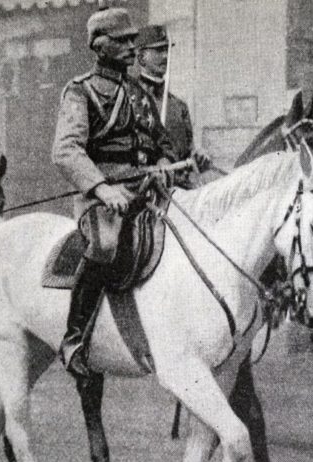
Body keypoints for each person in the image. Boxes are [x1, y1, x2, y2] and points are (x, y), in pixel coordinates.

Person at [52, 7, 177, 378]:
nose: (130, 46)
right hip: (100, 200)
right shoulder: (81, 91)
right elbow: (66, 150)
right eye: (121, 40)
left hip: (145, 192)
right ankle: (74, 337)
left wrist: (168, 163)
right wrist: (103, 188)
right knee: (105, 245)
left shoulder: (139, 92)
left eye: (131, 39)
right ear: (99, 45)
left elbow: (162, 143)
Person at [132, 24, 210, 187]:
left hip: (181, 190)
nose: (165, 56)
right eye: (159, 51)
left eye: (166, 50)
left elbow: (188, 151)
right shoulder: (130, 101)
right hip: (144, 192)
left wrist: (197, 156)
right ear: (141, 58)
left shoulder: (179, 106)